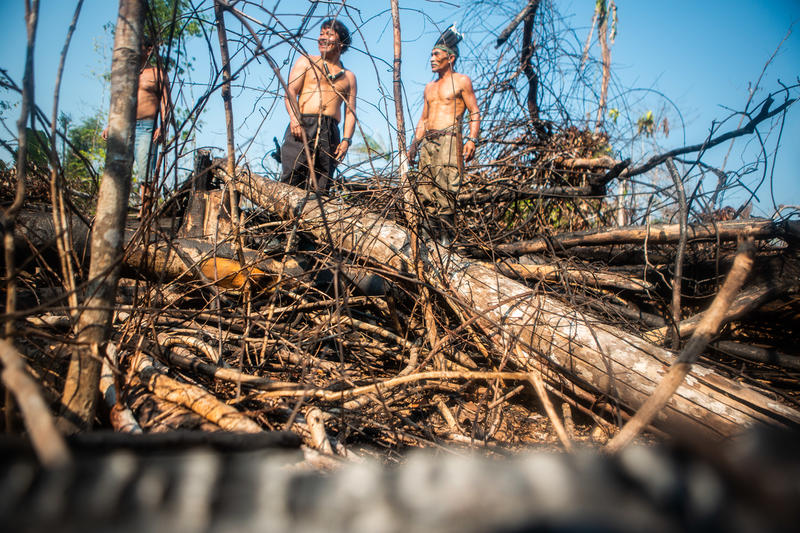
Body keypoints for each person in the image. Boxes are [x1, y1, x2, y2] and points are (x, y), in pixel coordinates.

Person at [409, 25, 480, 240]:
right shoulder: (429, 87)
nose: (431, 58)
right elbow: (423, 119)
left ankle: (446, 243)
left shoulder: (461, 81)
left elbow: (474, 111)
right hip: (428, 143)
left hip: (450, 140)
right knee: (425, 191)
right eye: (430, 54)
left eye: (436, 54)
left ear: (450, 58)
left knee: (446, 191)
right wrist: (414, 146)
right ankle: (427, 242)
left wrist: (471, 140)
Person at [280, 19, 357, 192]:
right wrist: (295, 119)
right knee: (292, 176)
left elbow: (350, 112)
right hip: (303, 125)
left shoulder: (349, 77)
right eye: (321, 34)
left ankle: (315, 217)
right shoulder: (307, 61)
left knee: (322, 183)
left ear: (341, 42)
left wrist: (346, 141)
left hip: (330, 131)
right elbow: (290, 91)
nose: (322, 38)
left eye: (329, 34)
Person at [103, 37, 170, 215]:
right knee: (118, 171)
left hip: (147, 127)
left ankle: (145, 213)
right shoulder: (127, 75)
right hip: (124, 126)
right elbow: (119, 103)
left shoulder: (157, 73)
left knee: (146, 173)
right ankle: (115, 211)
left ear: (148, 50)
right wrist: (111, 125)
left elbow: (166, 103)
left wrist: (162, 126)